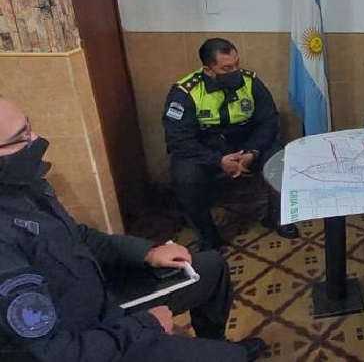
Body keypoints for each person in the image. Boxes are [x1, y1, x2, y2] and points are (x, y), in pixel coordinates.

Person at [0, 96, 266, 362]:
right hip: (94, 341)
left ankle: (217, 345)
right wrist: (144, 325)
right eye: (21, 136)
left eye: (28, 126)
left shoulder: (24, 186)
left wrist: (146, 252)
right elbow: (59, 354)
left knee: (211, 267)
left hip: (105, 298)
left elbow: (79, 237)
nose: (35, 138)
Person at [163, 38, 299, 250]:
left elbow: (269, 121)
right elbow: (179, 141)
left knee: (280, 161)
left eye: (237, 64)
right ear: (208, 71)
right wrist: (218, 161)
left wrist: (253, 151)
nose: (235, 71)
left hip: (246, 144)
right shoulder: (185, 93)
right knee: (185, 176)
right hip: (207, 150)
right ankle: (208, 235)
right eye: (227, 68)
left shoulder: (251, 83)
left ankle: (277, 216)